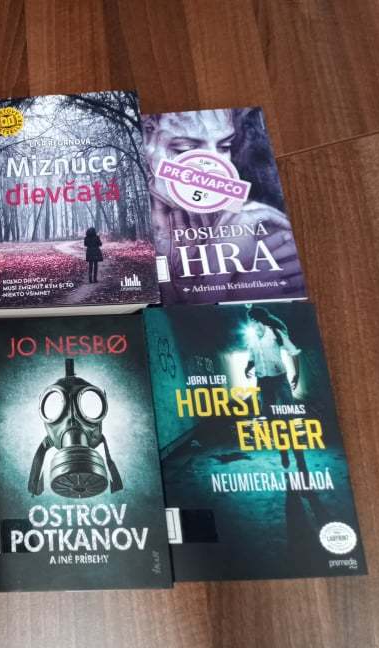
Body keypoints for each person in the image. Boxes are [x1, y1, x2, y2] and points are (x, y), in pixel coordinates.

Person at [143, 109, 303, 299]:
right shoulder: (131, 228)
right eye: (185, 149)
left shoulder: (259, 223)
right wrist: (219, 283)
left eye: (224, 146)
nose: (215, 166)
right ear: (144, 143)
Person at [243, 306, 305, 472]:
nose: (250, 324)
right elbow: (252, 358)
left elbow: (294, 352)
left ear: (257, 320)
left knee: (288, 418)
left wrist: (297, 374)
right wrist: (247, 367)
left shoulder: (275, 333)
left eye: (251, 320)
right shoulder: (252, 340)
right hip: (263, 382)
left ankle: (300, 459)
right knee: (271, 420)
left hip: (280, 380)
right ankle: (283, 450)